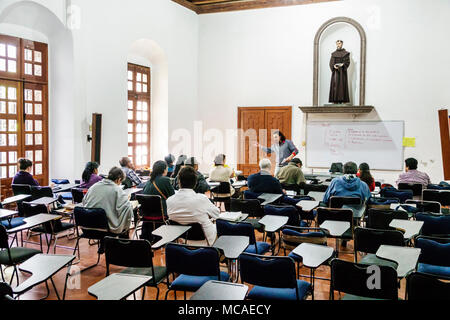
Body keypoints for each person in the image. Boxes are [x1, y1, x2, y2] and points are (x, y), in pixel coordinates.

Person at [167, 166, 220, 245]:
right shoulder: (201, 199)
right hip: (204, 242)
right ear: (195, 182)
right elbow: (217, 214)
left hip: (181, 241)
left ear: (179, 181)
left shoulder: (169, 201)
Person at [83, 167, 133, 237]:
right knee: (128, 208)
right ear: (118, 180)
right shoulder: (117, 190)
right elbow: (126, 209)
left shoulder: (93, 187)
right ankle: (122, 243)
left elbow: (84, 202)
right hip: (105, 229)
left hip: (86, 226)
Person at [329, 40, 350, 104]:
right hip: (336, 72)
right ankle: (335, 100)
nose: (338, 44)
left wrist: (343, 64)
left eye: (340, 43)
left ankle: (343, 100)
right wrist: (333, 66)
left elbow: (347, 62)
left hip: (342, 72)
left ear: (342, 44)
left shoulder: (346, 53)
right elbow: (331, 63)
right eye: (337, 43)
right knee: (335, 85)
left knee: (342, 84)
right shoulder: (333, 54)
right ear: (336, 44)